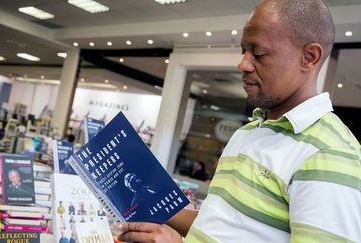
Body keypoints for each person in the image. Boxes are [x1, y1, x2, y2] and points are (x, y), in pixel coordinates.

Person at [117, 1, 361, 242]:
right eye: (243, 51)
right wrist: (153, 203)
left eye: (258, 54)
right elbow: (219, 225)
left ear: (309, 57)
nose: (242, 64)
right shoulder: (247, 133)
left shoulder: (330, 153)